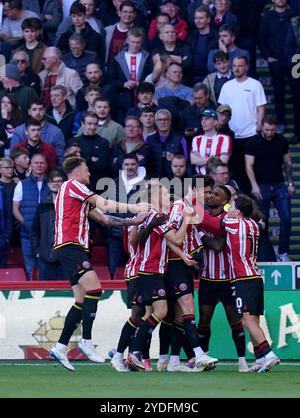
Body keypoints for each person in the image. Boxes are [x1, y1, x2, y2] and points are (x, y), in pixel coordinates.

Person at [49, 155, 148, 371]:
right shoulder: (73, 185)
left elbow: (105, 219)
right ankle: (86, 341)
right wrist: (136, 207)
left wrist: (133, 222)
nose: (90, 174)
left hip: (72, 247)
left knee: (81, 299)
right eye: (87, 170)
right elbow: (104, 203)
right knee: (96, 288)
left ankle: (60, 346)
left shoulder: (77, 197)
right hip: (70, 245)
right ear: (77, 171)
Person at [127, 180, 217, 371]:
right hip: (164, 268)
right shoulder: (178, 208)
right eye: (206, 191)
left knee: (173, 316)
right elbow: (173, 237)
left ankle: (172, 360)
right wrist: (186, 221)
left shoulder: (172, 212)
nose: (208, 196)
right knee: (172, 310)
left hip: (174, 265)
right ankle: (195, 355)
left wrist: (184, 255)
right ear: (194, 189)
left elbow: (168, 239)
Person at [222, 195, 280, 373]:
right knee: (252, 320)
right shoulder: (253, 224)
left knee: (246, 320)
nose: (228, 208)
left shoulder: (233, 224)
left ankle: (269, 354)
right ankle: (261, 359)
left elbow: (213, 221)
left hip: (243, 279)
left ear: (238, 212)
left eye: (231, 206)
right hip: (254, 276)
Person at [197, 185, 248, 372]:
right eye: (210, 193)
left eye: (216, 194)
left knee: (234, 320)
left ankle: (242, 361)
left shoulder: (228, 219)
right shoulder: (203, 216)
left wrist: (200, 232)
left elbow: (218, 245)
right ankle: (204, 360)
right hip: (207, 278)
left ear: (225, 201)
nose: (210, 196)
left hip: (227, 279)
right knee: (204, 321)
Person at [245, 115, 295, 262]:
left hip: (279, 185)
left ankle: (283, 252)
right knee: (262, 221)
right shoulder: (253, 142)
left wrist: (291, 183)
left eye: (272, 130)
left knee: (287, 218)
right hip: (261, 186)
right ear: (262, 126)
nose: (269, 133)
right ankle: (263, 254)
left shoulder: (282, 141)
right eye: (267, 129)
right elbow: (249, 165)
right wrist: (254, 185)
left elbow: (288, 163)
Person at [218, 56, 267, 193]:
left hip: (251, 133)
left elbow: (261, 107)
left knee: (254, 168)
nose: (237, 69)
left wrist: (259, 125)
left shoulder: (255, 84)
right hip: (231, 135)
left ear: (246, 67)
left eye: (240, 66)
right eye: (234, 66)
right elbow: (222, 109)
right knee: (235, 169)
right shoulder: (227, 86)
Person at [106, 153, 147, 278]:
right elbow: (107, 208)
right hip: (116, 235)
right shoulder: (114, 183)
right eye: (127, 164)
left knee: (138, 268)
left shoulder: (146, 185)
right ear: (122, 166)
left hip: (137, 235)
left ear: (138, 165)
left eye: (133, 164)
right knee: (115, 269)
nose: (130, 167)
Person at [259, 0, 295, 135]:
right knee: (278, 93)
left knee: (297, 94)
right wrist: (267, 56)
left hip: (295, 61)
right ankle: (280, 122)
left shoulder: (295, 15)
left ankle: (297, 128)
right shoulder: (267, 17)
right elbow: (261, 38)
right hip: (276, 61)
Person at [12, 153, 50, 279]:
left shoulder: (52, 185)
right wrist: (28, 224)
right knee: (30, 269)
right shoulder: (21, 185)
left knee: (46, 270)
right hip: (27, 234)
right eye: (36, 163)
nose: (39, 165)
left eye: (42, 163)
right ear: (31, 165)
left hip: (48, 236)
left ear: (46, 165)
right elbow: (15, 209)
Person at [109, 27, 153, 123]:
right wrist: (123, 84)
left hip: (144, 102)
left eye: (138, 42)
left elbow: (152, 76)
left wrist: (141, 84)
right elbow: (110, 79)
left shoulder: (147, 57)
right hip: (123, 102)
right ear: (127, 40)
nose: (135, 45)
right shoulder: (117, 59)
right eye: (133, 42)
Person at [31, 169, 67, 280]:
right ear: (48, 184)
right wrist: (37, 251)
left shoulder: (70, 204)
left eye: (59, 181)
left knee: (67, 291)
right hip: (45, 255)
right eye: (53, 181)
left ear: (64, 183)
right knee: (46, 289)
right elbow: (34, 231)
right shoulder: (42, 206)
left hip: (66, 255)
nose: (56, 184)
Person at [10, 98, 65, 163]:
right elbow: (13, 156)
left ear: (45, 111)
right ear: (29, 112)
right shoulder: (19, 131)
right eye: (34, 109)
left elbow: (60, 158)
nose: (38, 112)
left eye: (41, 109)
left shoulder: (56, 131)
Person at [69, 111, 111, 190]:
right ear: (82, 124)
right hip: (78, 185)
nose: (93, 127)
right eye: (89, 124)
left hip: (98, 186)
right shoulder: (73, 142)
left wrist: (83, 158)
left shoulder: (103, 142)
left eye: (95, 124)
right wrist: (90, 159)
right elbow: (72, 164)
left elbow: (103, 165)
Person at [147, 108, 187, 179]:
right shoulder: (149, 140)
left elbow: (186, 160)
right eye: (160, 120)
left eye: (165, 119)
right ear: (155, 122)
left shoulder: (180, 139)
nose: (163, 122)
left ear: (170, 121)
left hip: (174, 180)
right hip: (154, 180)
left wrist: (175, 159)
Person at [190, 109, 231, 175]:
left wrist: (201, 159)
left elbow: (223, 161)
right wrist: (214, 158)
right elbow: (193, 160)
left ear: (215, 122)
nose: (203, 122)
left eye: (206, 119)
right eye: (202, 119)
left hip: (217, 177)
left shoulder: (225, 138)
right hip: (199, 177)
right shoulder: (196, 139)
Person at [188, 5, 218, 83]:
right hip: (192, 78)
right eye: (196, 18)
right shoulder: (191, 36)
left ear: (208, 19)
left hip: (211, 78)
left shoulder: (216, 38)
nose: (197, 21)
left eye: (201, 18)